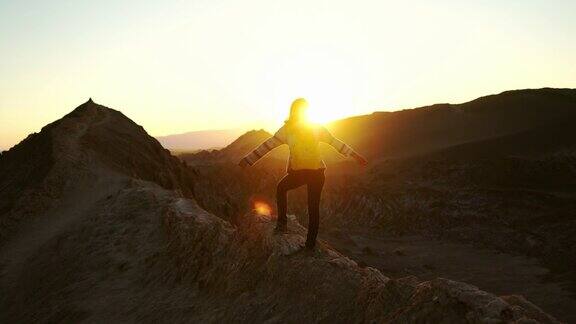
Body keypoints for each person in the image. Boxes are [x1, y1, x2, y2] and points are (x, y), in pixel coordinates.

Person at [238, 98, 367, 250]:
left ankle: (309, 246)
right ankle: (282, 224)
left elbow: (335, 142)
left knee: (313, 208)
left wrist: (355, 155)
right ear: (293, 111)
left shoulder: (315, 128)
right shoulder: (287, 130)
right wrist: (249, 159)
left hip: (317, 173)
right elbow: (268, 145)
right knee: (281, 188)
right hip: (298, 173)